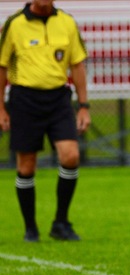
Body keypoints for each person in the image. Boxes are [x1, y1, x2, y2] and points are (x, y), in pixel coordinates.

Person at [0, 0, 91, 242]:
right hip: (24, 99)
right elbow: (1, 67)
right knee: (27, 166)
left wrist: (83, 106)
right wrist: (0, 108)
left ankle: (61, 222)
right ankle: (30, 228)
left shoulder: (67, 22)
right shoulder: (15, 24)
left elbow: (77, 64)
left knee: (70, 156)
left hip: (58, 99)